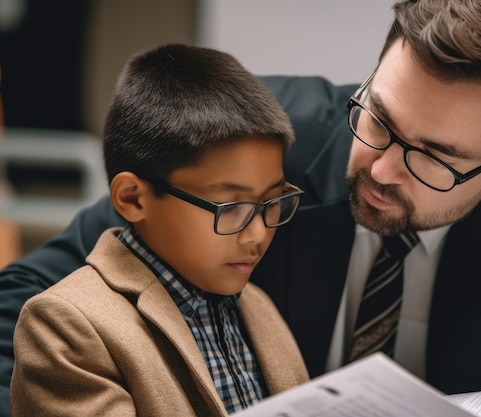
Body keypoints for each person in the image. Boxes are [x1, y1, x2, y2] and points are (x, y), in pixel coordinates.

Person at [0, 1, 481, 416]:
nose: (384, 170)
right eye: (380, 121)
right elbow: (24, 297)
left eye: (437, 158)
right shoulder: (251, 144)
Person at [9, 43, 308, 416]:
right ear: (134, 198)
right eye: (231, 208)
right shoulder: (67, 324)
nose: (258, 234)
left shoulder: (258, 307)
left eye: (272, 202)